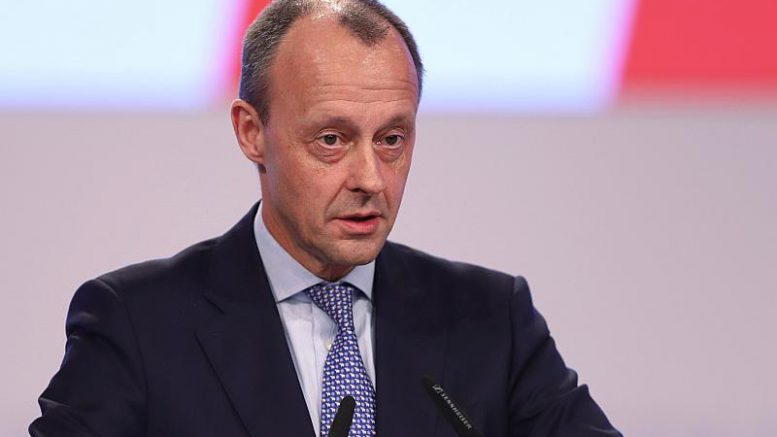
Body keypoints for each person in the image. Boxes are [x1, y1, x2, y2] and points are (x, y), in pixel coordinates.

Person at [30, 1, 622, 436]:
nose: (371, 178)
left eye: (391, 139)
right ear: (251, 132)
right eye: (332, 139)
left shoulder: (492, 321)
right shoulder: (137, 325)